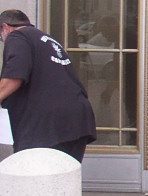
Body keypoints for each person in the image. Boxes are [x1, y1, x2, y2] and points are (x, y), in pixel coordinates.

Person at [0, 9, 97, 162]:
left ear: (5, 27)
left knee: (34, 175)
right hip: (77, 119)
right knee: (63, 176)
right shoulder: (46, 40)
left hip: (47, 123)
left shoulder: (17, 36)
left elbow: (13, 78)